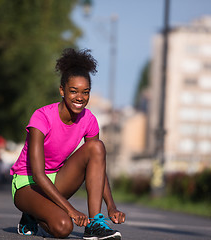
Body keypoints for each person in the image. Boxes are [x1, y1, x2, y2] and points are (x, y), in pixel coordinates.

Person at [10, 48, 125, 239]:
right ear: (62, 90)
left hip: (58, 180)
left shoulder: (89, 120)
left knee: (97, 147)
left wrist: (111, 206)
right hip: (27, 183)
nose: (80, 97)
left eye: (85, 92)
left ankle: (95, 223)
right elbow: (38, 175)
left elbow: (97, 166)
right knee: (63, 227)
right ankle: (31, 213)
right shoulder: (42, 117)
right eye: (73, 91)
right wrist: (70, 210)